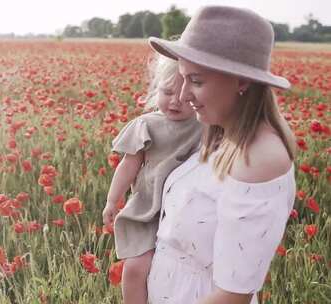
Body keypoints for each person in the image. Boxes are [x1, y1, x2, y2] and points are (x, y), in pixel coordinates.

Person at [146, 6, 296, 304]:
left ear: (242, 82)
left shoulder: (259, 159)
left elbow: (232, 296)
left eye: (197, 81)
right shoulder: (220, 133)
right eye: (183, 77)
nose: (183, 95)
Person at [102, 56, 202, 304]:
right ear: (156, 88)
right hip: (148, 209)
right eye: (167, 91)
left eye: (183, 95)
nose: (175, 101)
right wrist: (113, 200)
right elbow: (128, 165)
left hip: (184, 211)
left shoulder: (203, 126)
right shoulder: (146, 125)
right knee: (136, 267)